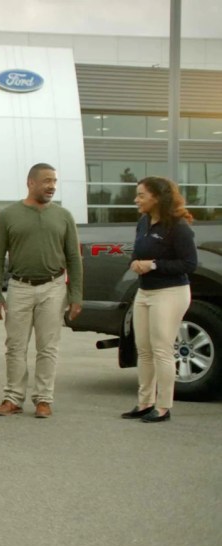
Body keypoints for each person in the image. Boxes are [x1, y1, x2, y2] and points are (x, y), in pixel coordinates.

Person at [0, 163, 83, 418]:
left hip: (53, 287)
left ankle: (43, 399)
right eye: (46, 181)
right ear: (30, 183)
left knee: (48, 347)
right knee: (15, 346)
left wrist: (76, 295)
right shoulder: (7, 216)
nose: (52, 186)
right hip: (19, 287)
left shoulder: (63, 216)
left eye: (54, 181)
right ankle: (13, 398)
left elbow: (74, 257)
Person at [121, 177, 197, 423]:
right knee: (143, 350)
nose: (136, 199)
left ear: (157, 197)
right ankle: (145, 403)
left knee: (162, 349)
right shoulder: (143, 222)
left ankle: (163, 407)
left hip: (170, 292)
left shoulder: (178, 226)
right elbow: (137, 252)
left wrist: (153, 265)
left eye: (141, 195)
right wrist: (134, 262)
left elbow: (189, 264)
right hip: (145, 292)